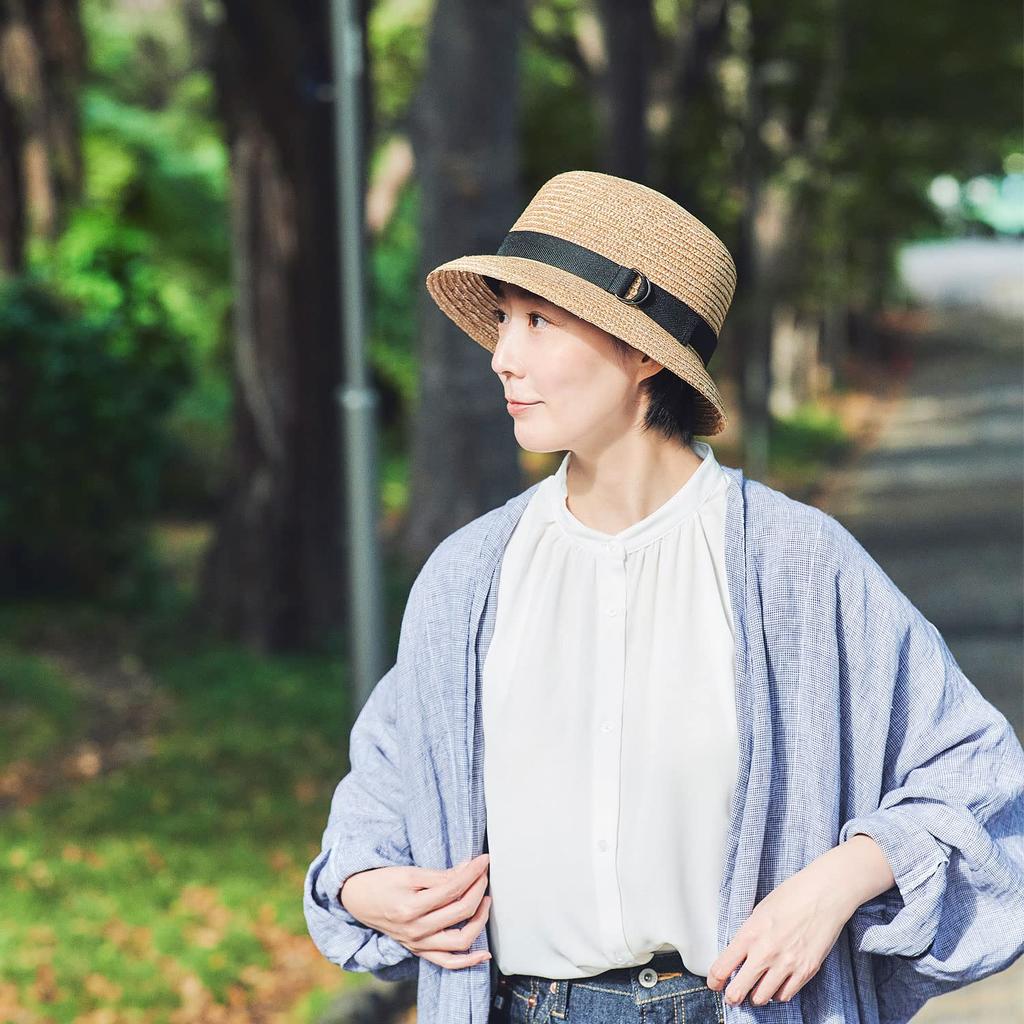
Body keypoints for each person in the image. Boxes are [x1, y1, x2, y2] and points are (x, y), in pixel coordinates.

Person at [303, 170, 1024, 1024]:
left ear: (645, 351)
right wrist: (366, 882)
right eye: (503, 321)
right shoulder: (471, 576)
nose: (503, 355)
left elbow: (979, 777)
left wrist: (842, 877)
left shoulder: (795, 564)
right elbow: (383, 790)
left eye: (540, 322)